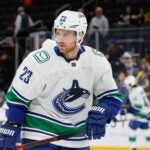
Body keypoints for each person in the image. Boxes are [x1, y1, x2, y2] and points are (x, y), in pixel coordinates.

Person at [0, 10, 123, 150]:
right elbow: (18, 99)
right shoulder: (38, 61)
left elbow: (112, 96)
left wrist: (103, 110)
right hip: (39, 132)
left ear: (80, 35)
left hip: (76, 138)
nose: (59, 39)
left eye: (66, 34)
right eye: (57, 33)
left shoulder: (96, 61)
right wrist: (12, 124)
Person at [124, 75, 150, 150]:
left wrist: (130, 109)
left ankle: (133, 148)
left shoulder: (133, 93)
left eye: (127, 84)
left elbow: (139, 106)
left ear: (130, 84)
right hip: (146, 112)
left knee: (131, 131)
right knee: (145, 132)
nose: (126, 86)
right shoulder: (140, 88)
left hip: (139, 115)